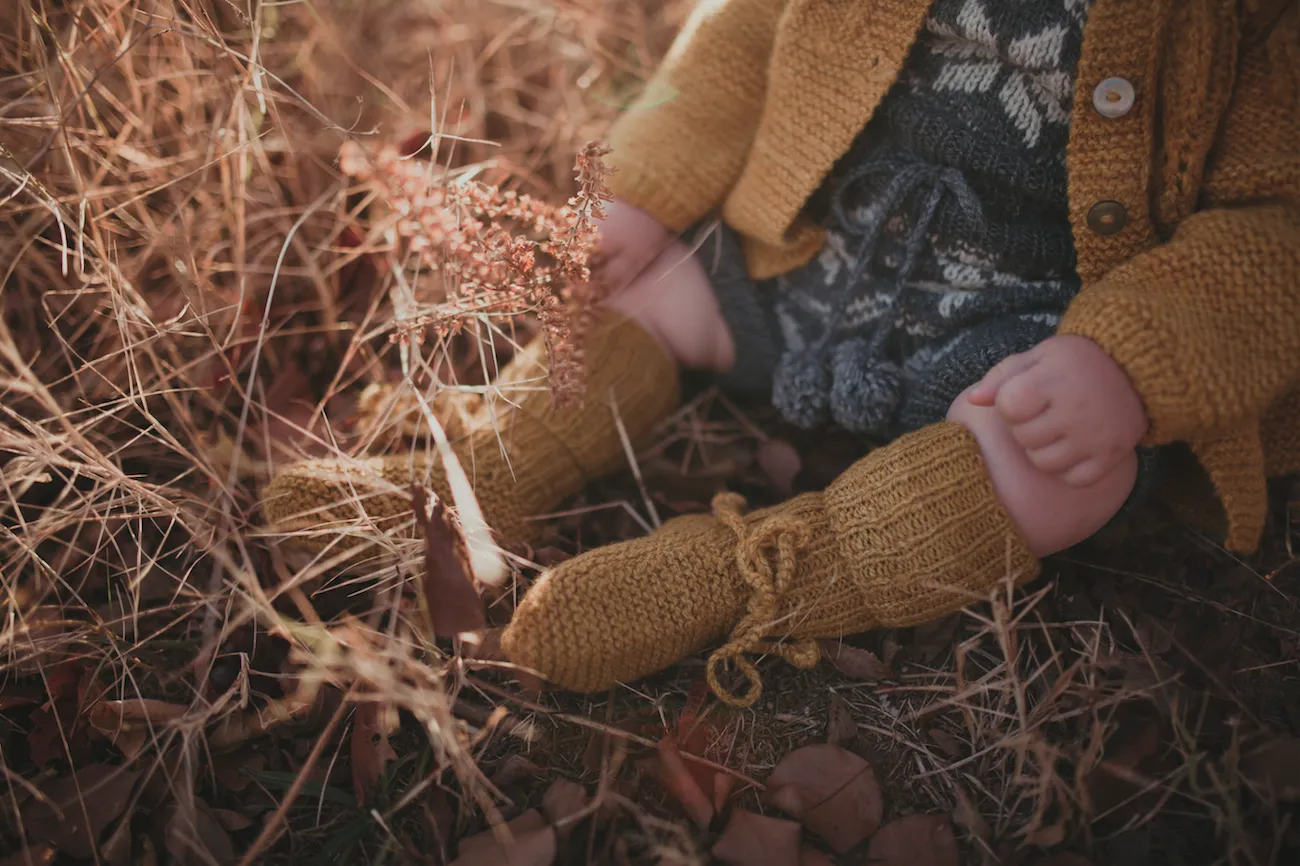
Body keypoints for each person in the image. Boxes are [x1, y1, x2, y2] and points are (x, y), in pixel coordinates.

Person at [262, 0, 1300, 706]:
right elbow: (735, 46)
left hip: (1026, 331)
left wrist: (1126, 362)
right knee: (639, 278)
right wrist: (638, 196)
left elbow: (1272, 218)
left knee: (1065, 466)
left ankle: (751, 579)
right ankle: (488, 477)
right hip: (801, 252)